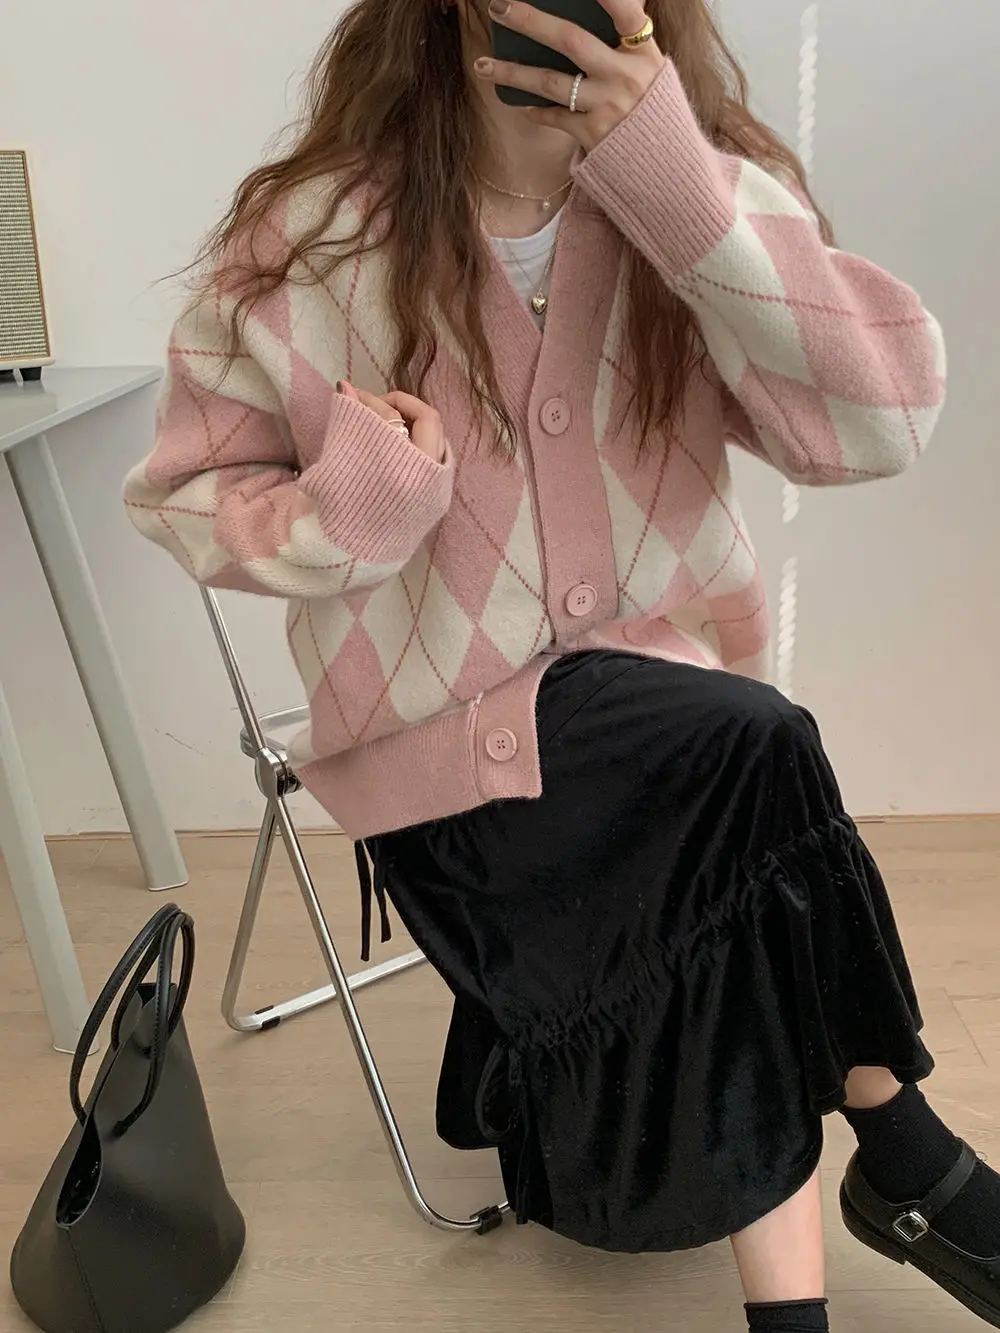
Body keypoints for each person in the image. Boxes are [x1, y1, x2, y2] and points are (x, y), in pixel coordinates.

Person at [124, 1, 1000, 1328]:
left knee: (729, 781)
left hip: (678, 745)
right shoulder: (315, 239)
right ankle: (909, 1165)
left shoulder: (693, 197)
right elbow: (181, 498)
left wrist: (680, 192)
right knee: (750, 756)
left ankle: (842, 1248)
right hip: (449, 760)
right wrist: (357, 507)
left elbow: (882, 421)